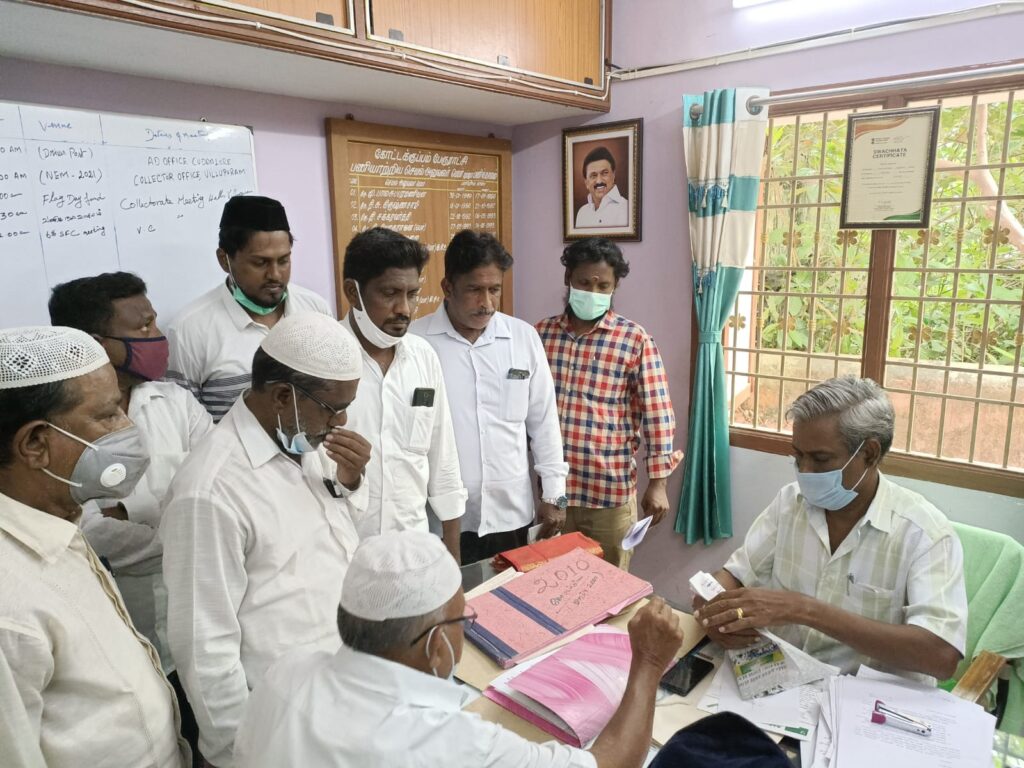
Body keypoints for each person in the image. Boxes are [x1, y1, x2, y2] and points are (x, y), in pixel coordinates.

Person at [234, 529, 685, 768]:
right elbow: (609, 766)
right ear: (435, 645)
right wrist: (648, 662)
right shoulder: (447, 744)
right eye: (462, 620)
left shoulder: (285, 672)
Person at [160, 312, 371, 767]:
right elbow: (204, 646)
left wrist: (350, 482)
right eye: (333, 408)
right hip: (280, 725)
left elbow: (333, 540)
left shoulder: (300, 439)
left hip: (344, 693)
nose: (341, 421)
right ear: (282, 396)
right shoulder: (210, 491)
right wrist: (240, 753)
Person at [693, 376, 967, 684]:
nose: (804, 471)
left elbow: (941, 656)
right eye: (798, 456)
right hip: (783, 682)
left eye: (820, 459)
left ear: (869, 453)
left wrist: (804, 610)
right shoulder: (790, 503)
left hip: (868, 700)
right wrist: (712, 611)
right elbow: (734, 576)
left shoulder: (924, 534)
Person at [0, 326, 188, 768]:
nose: (128, 428)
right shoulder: (9, 610)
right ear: (35, 444)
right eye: (108, 416)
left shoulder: (57, 520)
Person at [48, 271, 213, 763]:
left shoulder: (175, 402)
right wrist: (178, 521)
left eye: (154, 321)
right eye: (142, 328)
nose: (158, 336)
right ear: (97, 343)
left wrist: (131, 512)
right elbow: (86, 533)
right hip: (120, 631)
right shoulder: (58, 428)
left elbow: (216, 495)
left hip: (196, 616)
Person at [411, 231, 568, 563]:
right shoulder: (416, 343)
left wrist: (555, 494)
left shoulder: (522, 337)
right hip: (440, 519)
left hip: (511, 513)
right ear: (448, 287)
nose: (487, 303)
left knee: (512, 594)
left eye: (494, 289)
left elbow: (543, 421)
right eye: (474, 290)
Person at [536, 238, 680, 571]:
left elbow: (658, 414)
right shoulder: (540, 335)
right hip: (555, 495)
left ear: (615, 287)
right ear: (568, 279)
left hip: (609, 496)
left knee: (610, 587)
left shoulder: (634, 339)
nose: (593, 291)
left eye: (603, 286)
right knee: (550, 583)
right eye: (584, 283)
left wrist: (658, 484)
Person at [340, 227, 467, 562]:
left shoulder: (423, 357)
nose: (405, 309)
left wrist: (453, 565)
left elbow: (443, 460)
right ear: (353, 292)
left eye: (412, 294)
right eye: (390, 293)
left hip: (412, 553)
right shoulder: (324, 360)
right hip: (344, 555)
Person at [167, 194, 333, 421]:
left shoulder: (315, 310)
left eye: (283, 260)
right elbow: (182, 425)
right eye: (260, 263)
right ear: (224, 260)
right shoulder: (188, 331)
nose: (275, 275)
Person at [574, 146, 629, 229]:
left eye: (604, 173)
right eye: (593, 175)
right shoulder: (582, 213)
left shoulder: (626, 209)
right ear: (586, 183)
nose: (599, 181)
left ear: (613, 175)